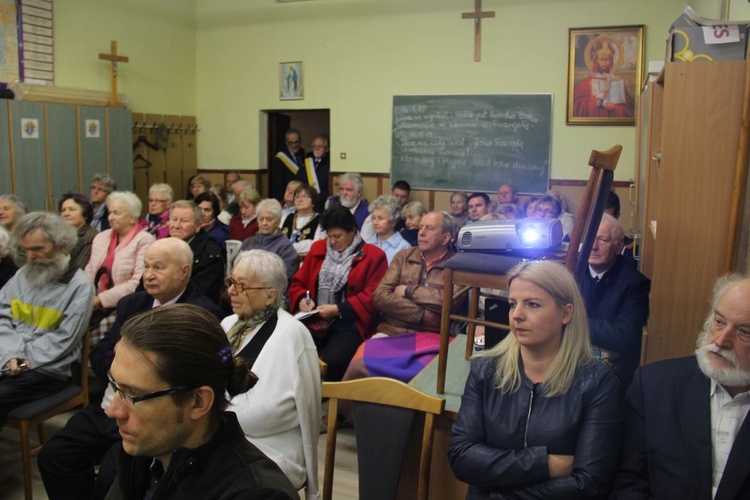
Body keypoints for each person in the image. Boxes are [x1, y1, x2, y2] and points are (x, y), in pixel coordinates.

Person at [38, 238, 223, 500]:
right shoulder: (132, 304)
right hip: (108, 404)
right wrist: (131, 372)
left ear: (184, 271)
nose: (148, 275)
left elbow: (177, 377)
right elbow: (100, 353)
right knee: (54, 455)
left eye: (158, 267)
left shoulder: (200, 315)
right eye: (146, 266)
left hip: (149, 412)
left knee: (113, 480)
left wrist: (129, 369)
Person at [448, 260, 621, 498]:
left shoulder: (597, 382)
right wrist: (544, 463)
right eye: (512, 304)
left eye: (533, 305)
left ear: (566, 313)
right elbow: (462, 457)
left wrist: (500, 493)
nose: (517, 315)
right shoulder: (485, 370)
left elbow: (590, 484)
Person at [104, 304, 299, 499]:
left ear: (198, 402)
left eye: (133, 395)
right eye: (116, 386)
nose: (113, 411)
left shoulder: (258, 494)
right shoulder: (144, 453)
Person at [611, 274, 750, 499]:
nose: (721, 340)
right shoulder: (653, 385)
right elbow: (626, 481)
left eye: (745, 332)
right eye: (719, 322)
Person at [223, 250, 321, 498]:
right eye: (231, 282)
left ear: (270, 296)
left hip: (271, 451)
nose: (232, 291)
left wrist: (314, 491)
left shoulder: (293, 335)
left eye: (242, 286)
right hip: (223, 444)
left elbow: (309, 414)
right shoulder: (227, 326)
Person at [344, 211, 463, 383]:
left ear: (446, 238)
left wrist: (408, 291)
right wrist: (423, 315)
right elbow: (380, 297)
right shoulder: (404, 257)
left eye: (429, 228)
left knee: (427, 378)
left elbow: (449, 302)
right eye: (420, 227)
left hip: (433, 338)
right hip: (391, 331)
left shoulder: (457, 265)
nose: (421, 233)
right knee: (358, 367)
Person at [0, 212, 94, 415]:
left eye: (37, 249)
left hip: (45, 369)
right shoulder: (23, 274)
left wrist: (21, 359)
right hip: (9, 357)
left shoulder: (79, 286)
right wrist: (10, 353)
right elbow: (2, 315)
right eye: (26, 250)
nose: (30, 256)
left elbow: (64, 340)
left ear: (60, 244)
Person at [289, 206, 388, 380]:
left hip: (349, 323)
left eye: (337, 236)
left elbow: (374, 294)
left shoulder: (373, 256)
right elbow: (299, 282)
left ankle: (329, 398)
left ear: (352, 231)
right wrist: (303, 300)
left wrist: (338, 309)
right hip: (315, 319)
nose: (333, 241)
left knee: (334, 359)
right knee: (290, 347)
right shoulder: (319, 249)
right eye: (329, 236)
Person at [578, 213, 649, 392]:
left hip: (610, 369)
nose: (593, 246)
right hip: (571, 356)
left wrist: (574, 321)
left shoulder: (635, 283)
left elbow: (623, 337)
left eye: (602, 240)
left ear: (618, 247)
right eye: (589, 238)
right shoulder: (571, 271)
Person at [86, 191, 155, 343]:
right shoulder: (101, 237)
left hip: (125, 306)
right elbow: (90, 271)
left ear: (132, 217)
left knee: (94, 339)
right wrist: (88, 298)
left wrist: (100, 300)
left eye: (116, 213)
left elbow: (137, 282)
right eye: (110, 212)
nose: (110, 217)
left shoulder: (144, 240)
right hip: (94, 303)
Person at [168, 200, 225, 305]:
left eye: (184, 221)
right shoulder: (161, 246)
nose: (176, 225)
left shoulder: (211, 254)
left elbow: (199, 295)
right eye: (174, 219)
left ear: (198, 226)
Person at [240, 199, 298, 286]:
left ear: (278, 222)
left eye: (269, 219)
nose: (264, 223)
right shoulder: (247, 243)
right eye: (261, 219)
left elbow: (285, 278)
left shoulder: (286, 247)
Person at [573, 39, 634, 119]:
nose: (605, 63)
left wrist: (615, 108)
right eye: (602, 59)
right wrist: (594, 99)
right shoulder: (585, 83)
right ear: (596, 61)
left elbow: (630, 109)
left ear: (611, 62)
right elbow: (574, 106)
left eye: (608, 60)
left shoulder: (616, 83)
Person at [364, 195, 411, 265]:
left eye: (381, 218)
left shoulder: (404, 247)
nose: (375, 222)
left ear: (393, 222)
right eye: (373, 218)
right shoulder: (367, 244)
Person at [280, 183, 323, 257]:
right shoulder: (286, 218)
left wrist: (288, 248)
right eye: (297, 197)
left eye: (305, 196)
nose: (300, 199)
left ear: (313, 201)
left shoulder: (321, 220)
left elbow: (315, 245)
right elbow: (276, 241)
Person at [59, 192, 98, 270]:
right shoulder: (61, 236)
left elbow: (78, 269)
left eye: (71, 209)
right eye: (63, 210)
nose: (66, 214)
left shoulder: (90, 236)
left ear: (85, 215)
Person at [271, 128, 305, 202]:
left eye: (296, 142)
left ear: (300, 140)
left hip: (301, 194)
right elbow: (278, 183)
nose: (294, 145)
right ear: (286, 142)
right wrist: (280, 200)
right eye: (291, 142)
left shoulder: (302, 153)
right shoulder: (280, 158)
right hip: (288, 196)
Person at [300, 135, 330, 211]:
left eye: (320, 146)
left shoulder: (329, 165)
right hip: (304, 202)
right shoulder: (306, 164)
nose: (317, 148)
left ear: (326, 149)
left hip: (321, 204)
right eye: (315, 146)